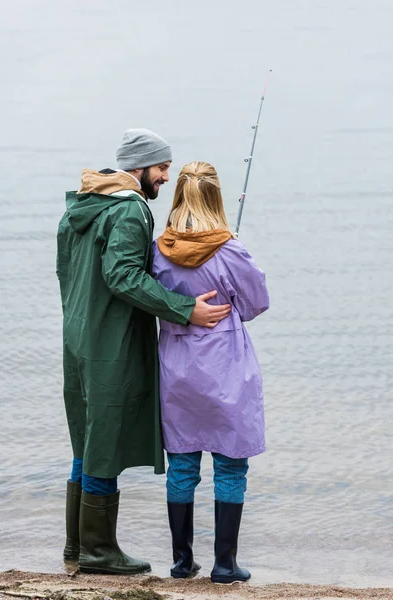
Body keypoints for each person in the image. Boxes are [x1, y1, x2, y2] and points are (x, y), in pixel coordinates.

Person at [56, 131, 231, 576]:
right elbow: (124, 276)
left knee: (86, 439)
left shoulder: (80, 204)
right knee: (103, 443)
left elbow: (66, 272)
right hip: (110, 345)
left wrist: (83, 320)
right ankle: (99, 551)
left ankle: (76, 546)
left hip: (77, 338)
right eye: (162, 168)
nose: (166, 178)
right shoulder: (131, 210)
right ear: (140, 167)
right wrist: (185, 308)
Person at [152, 161, 270, 584]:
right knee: (230, 465)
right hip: (226, 366)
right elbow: (257, 303)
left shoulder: (157, 250)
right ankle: (225, 564)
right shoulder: (231, 250)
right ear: (217, 197)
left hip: (175, 368)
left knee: (183, 464)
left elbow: (150, 298)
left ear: (178, 195)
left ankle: (182, 562)